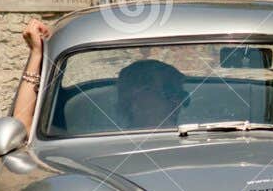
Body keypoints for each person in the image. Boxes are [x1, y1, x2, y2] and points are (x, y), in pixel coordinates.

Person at [11, 18, 188, 134]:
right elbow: (22, 127)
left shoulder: (201, 137)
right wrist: (37, 54)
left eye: (146, 88)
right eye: (126, 91)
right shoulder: (96, 137)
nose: (176, 100)